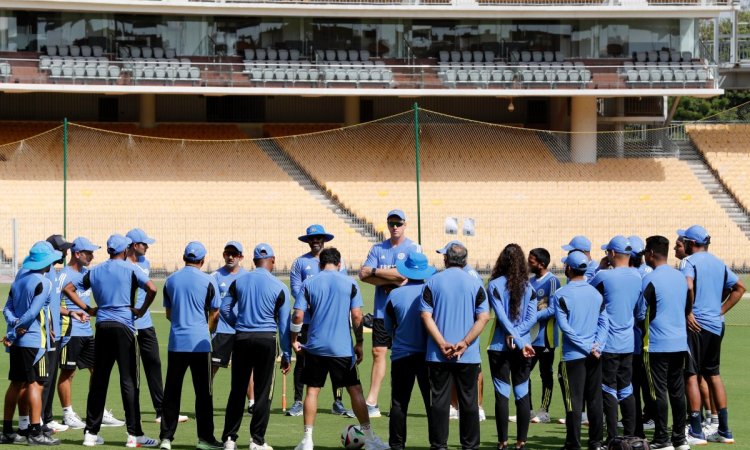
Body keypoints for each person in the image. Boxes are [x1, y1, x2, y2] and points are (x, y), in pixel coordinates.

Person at [63, 233, 159, 448]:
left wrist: (88, 308)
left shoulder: (95, 270)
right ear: (125, 251)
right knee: (129, 381)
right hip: (124, 327)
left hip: (102, 327)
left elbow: (68, 288)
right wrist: (141, 311)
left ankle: (90, 433)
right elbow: (152, 288)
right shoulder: (131, 268)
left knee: (99, 381)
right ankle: (134, 435)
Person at [292, 247, 388, 450]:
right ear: (339, 263)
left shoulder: (309, 283)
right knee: (355, 390)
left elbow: (298, 316)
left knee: (312, 391)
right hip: (342, 349)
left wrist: (294, 339)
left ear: (320, 264)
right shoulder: (350, 283)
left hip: (316, 346)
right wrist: (360, 342)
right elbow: (356, 316)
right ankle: (370, 439)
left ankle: (307, 440)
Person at [678, 225, 745, 445]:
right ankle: (724, 430)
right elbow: (739, 288)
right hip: (716, 326)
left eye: (685, 240)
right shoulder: (719, 262)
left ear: (691, 243)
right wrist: (720, 311)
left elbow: (687, 285)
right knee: (713, 374)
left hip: (696, 325)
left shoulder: (688, 262)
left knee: (691, 375)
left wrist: (688, 311)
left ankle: (696, 430)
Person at [220, 244, 291, 450]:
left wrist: (239, 323)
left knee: (237, 390)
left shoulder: (239, 281)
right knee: (262, 392)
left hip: (242, 338)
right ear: (273, 260)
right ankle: (257, 440)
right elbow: (284, 324)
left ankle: (229, 440)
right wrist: (286, 353)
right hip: (266, 339)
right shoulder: (280, 286)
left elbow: (225, 308)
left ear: (253, 261)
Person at [420, 242, 490, 450]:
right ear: (465, 261)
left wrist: (441, 343)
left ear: (445, 259)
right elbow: (483, 317)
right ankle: (470, 446)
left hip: (438, 354)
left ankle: (439, 445)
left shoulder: (432, 282)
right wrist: (465, 342)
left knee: (439, 401)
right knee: (469, 402)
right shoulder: (475, 284)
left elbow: (426, 315)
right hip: (467, 355)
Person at [159, 242, 223, 450]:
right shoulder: (209, 280)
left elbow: (169, 314)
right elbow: (215, 313)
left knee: (172, 392)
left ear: (184, 257)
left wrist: (182, 324)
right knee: (204, 393)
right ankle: (205, 439)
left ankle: (166, 438)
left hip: (177, 342)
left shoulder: (170, 280)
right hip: (200, 344)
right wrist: (206, 329)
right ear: (203, 260)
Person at [2, 242, 67, 445]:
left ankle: (7, 431)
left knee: (15, 383)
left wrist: (13, 327)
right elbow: (33, 311)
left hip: (19, 342)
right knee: (36, 384)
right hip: (35, 343)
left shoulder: (20, 280)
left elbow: (7, 309)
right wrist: (20, 327)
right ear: (46, 262)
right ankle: (36, 432)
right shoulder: (44, 282)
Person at [359, 209, 420, 417]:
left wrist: (378, 274)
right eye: (391, 223)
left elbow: (406, 275)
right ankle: (372, 402)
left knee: (405, 355)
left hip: (405, 312)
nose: (395, 227)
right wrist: (392, 278)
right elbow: (364, 274)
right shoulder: (377, 249)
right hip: (381, 312)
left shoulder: (413, 248)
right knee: (378, 352)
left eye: (398, 223)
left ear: (405, 224)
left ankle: (400, 403)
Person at [288, 225, 351, 417]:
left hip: (332, 321)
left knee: (336, 359)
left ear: (324, 240)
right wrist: (312, 305)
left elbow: (344, 289)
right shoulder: (300, 263)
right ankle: (298, 401)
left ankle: (337, 401)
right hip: (308, 321)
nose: (315, 241)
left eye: (318, 238)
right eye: (312, 239)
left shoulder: (338, 262)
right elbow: (296, 289)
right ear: (307, 241)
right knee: (302, 360)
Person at [126, 228, 186, 425]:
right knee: (131, 371)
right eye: (144, 244)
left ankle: (162, 411)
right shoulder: (123, 265)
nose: (147, 247)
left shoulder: (145, 262)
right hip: (127, 325)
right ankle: (132, 415)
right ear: (135, 245)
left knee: (154, 364)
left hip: (146, 323)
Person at [636, 236, 689, 450]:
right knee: (677, 391)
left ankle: (661, 439)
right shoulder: (680, 277)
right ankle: (680, 439)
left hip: (656, 344)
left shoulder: (650, 279)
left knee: (657, 392)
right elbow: (687, 305)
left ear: (650, 253)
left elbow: (640, 312)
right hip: (679, 342)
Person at [588, 236, 641, 443]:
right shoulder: (638, 276)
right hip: (628, 342)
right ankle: (631, 435)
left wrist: (598, 268)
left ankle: (613, 438)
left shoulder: (603, 276)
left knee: (608, 388)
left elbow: (587, 293)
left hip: (607, 342)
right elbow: (640, 309)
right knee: (626, 387)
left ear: (611, 253)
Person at [555, 251, 608, 450]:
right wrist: (598, 346)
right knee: (595, 400)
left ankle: (573, 444)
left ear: (569, 268)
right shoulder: (596, 293)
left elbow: (565, 327)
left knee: (573, 402)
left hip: (573, 357)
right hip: (595, 355)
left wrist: (587, 347)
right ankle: (596, 443)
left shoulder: (561, 294)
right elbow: (605, 323)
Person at [383, 252, 436, 450]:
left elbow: (388, 327)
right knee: (432, 403)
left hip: (401, 355)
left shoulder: (394, 295)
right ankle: (436, 443)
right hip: (428, 355)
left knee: (398, 402)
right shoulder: (432, 292)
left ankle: (397, 444)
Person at [486, 244, 537, 450]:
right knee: (522, 392)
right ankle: (521, 442)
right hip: (524, 347)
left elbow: (499, 314)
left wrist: (510, 334)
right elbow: (532, 317)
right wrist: (520, 338)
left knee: (502, 393)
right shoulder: (529, 287)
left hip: (499, 345)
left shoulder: (494, 285)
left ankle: (502, 443)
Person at [57, 237, 105, 432]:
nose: (92, 256)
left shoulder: (88, 274)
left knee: (97, 370)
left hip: (87, 331)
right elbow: (52, 305)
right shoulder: (63, 275)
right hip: (70, 331)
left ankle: (96, 410)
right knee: (68, 372)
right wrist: (73, 313)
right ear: (77, 254)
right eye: (89, 253)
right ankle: (68, 413)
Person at [436, 240, 487, 423]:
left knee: (475, 370)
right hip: (456, 330)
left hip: (468, 331)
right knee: (455, 369)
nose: (443, 258)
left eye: (445, 255)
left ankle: (478, 406)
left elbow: (481, 308)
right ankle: (454, 405)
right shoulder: (450, 275)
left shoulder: (471, 276)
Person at [209, 241, 254, 415]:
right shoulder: (215, 276)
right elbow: (209, 305)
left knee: (247, 368)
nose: (230, 257)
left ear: (241, 257)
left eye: (234, 254)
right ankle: (205, 400)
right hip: (221, 331)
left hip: (242, 330)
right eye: (227, 253)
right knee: (212, 368)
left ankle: (251, 403)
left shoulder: (247, 276)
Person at [41, 235, 73, 434]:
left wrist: (69, 312)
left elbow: (53, 304)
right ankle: (40, 419)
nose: (66, 253)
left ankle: (48, 417)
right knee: (43, 379)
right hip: (46, 334)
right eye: (62, 250)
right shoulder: (44, 273)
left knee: (51, 377)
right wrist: (50, 324)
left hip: (56, 333)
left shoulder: (53, 270)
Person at [626, 235, 656, 438]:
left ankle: (649, 417)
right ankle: (646, 416)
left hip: (641, 335)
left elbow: (639, 310)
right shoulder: (648, 271)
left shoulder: (639, 275)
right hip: (647, 334)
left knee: (643, 380)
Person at [527, 247, 560, 424]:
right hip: (529, 338)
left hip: (546, 337)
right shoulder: (529, 282)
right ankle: (528, 410)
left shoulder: (553, 281)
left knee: (545, 374)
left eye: (531, 261)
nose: (528, 263)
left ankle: (544, 411)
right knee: (523, 373)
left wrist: (532, 318)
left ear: (541, 263)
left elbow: (553, 309)